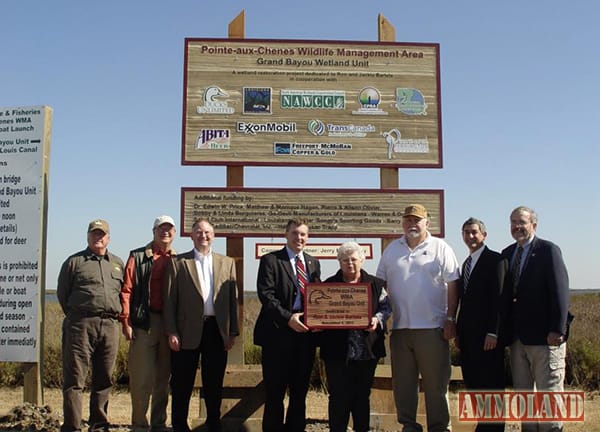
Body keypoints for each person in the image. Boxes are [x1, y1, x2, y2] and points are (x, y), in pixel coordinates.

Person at [376, 204, 460, 432]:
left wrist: (450, 318)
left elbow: (453, 284)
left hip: (432, 329)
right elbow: (379, 286)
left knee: (435, 385)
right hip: (400, 329)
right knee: (403, 386)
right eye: (408, 220)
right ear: (403, 223)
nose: (412, 224)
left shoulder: (440, 248)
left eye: (417, 220)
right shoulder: (392, 250)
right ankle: (409, 426)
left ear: (427, 223)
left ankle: (440, 427)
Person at [162, 217, 239, 432]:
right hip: (186, 331)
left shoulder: (227, 263)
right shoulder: (178, 263)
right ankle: (179, 425)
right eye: (198, 232)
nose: (203, 236)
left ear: (213, 235)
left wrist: (232, 331)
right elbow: (169, 301)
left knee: (213, 381)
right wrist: (171, 332)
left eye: (207, 232)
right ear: (191, 235)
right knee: (182, 382)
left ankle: (213, 423)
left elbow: (233, 299)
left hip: (216, 330)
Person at [501, 206, 570, 432]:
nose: (517, 227)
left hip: (545, 338)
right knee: (524, 398)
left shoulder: (548, 250)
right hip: (518, 338)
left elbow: (560, 292)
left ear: (534, 225)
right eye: (513, 222)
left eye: (521, 222)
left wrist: (557, 330)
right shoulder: (508, 253)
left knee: (549, 397)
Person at [253, 218, 321, 432]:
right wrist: (288, 318)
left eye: (303, 234)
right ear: (286, 234)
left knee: (299, 393)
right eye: (294, 233)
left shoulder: (313, 262)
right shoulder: (271, 260)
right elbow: (266, 295)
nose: (299, 238)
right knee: (274, 393)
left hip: (305, 337)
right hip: (277, 336)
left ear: (307, 237)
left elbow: (317, 296)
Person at [57, 219, 125, 432]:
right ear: (88, 236)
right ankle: (72, 426)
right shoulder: (74, 262)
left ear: (108, 238)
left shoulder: (117, 263)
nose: (99, 237)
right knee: (75, 379)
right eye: (95, 234)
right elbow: (62, 294)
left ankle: (98, 424)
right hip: (80, 325)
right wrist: (80, 316)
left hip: (110, 326)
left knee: (104, 378)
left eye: (102, 234)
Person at [319, 241, 391, 432]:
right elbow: (318, 312)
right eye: (344, 260)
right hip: (337, 352)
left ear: (362, 260)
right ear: (339, 262)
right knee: (338, 397)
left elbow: (386, 307)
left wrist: (377, 320)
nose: (349, 263)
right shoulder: (328, 286)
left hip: (367, 351)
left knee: (361, 396)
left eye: (353, 259)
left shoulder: (376, 284)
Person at [120, 215, 176, 432]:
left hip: (169, 324)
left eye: (169, 229)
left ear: (174, 233)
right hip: (144, 323)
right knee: (141, 379)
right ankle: (139, 425)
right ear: (153, 231)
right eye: (161, 229)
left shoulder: (178, 258)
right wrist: (126, 321)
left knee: (163, 380)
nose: (165, 233)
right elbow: (127, 290)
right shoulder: (137, 256)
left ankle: (159, 424)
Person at [456, 218, 506, 432]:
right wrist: (459, 332)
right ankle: (482, 425)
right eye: (466, 232)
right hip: (469, 339)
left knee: (490, 386)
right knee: (474, 385)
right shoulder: (466, 263)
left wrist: (493, 332)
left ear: (484, 235)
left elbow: (499, 298)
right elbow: (464, 303)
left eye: (474, 232)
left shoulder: (496, 260)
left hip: (488, 338)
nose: (470, 236)